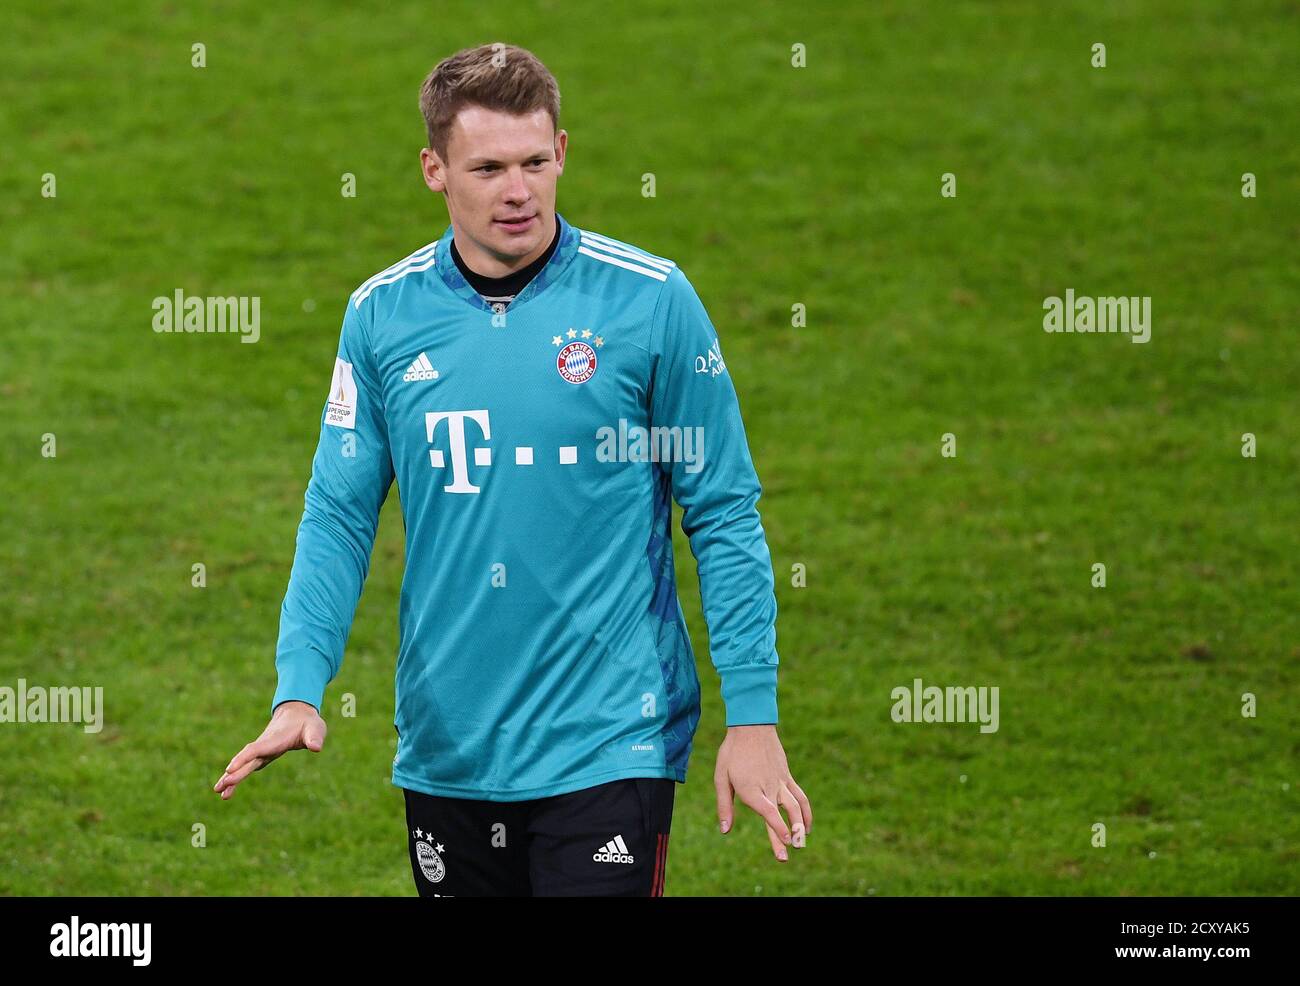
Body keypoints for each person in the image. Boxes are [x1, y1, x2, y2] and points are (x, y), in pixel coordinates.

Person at [214, 41, 811, 896]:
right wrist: (299, 688)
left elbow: (721, 509)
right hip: (448, 747)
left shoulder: (649, 303)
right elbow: (339, 514)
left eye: (536, 160)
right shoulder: (381, 317)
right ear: (434, 170)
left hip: (612, 741)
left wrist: (752, 714)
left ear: (563, 151)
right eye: (488, 167)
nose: (519, 190)